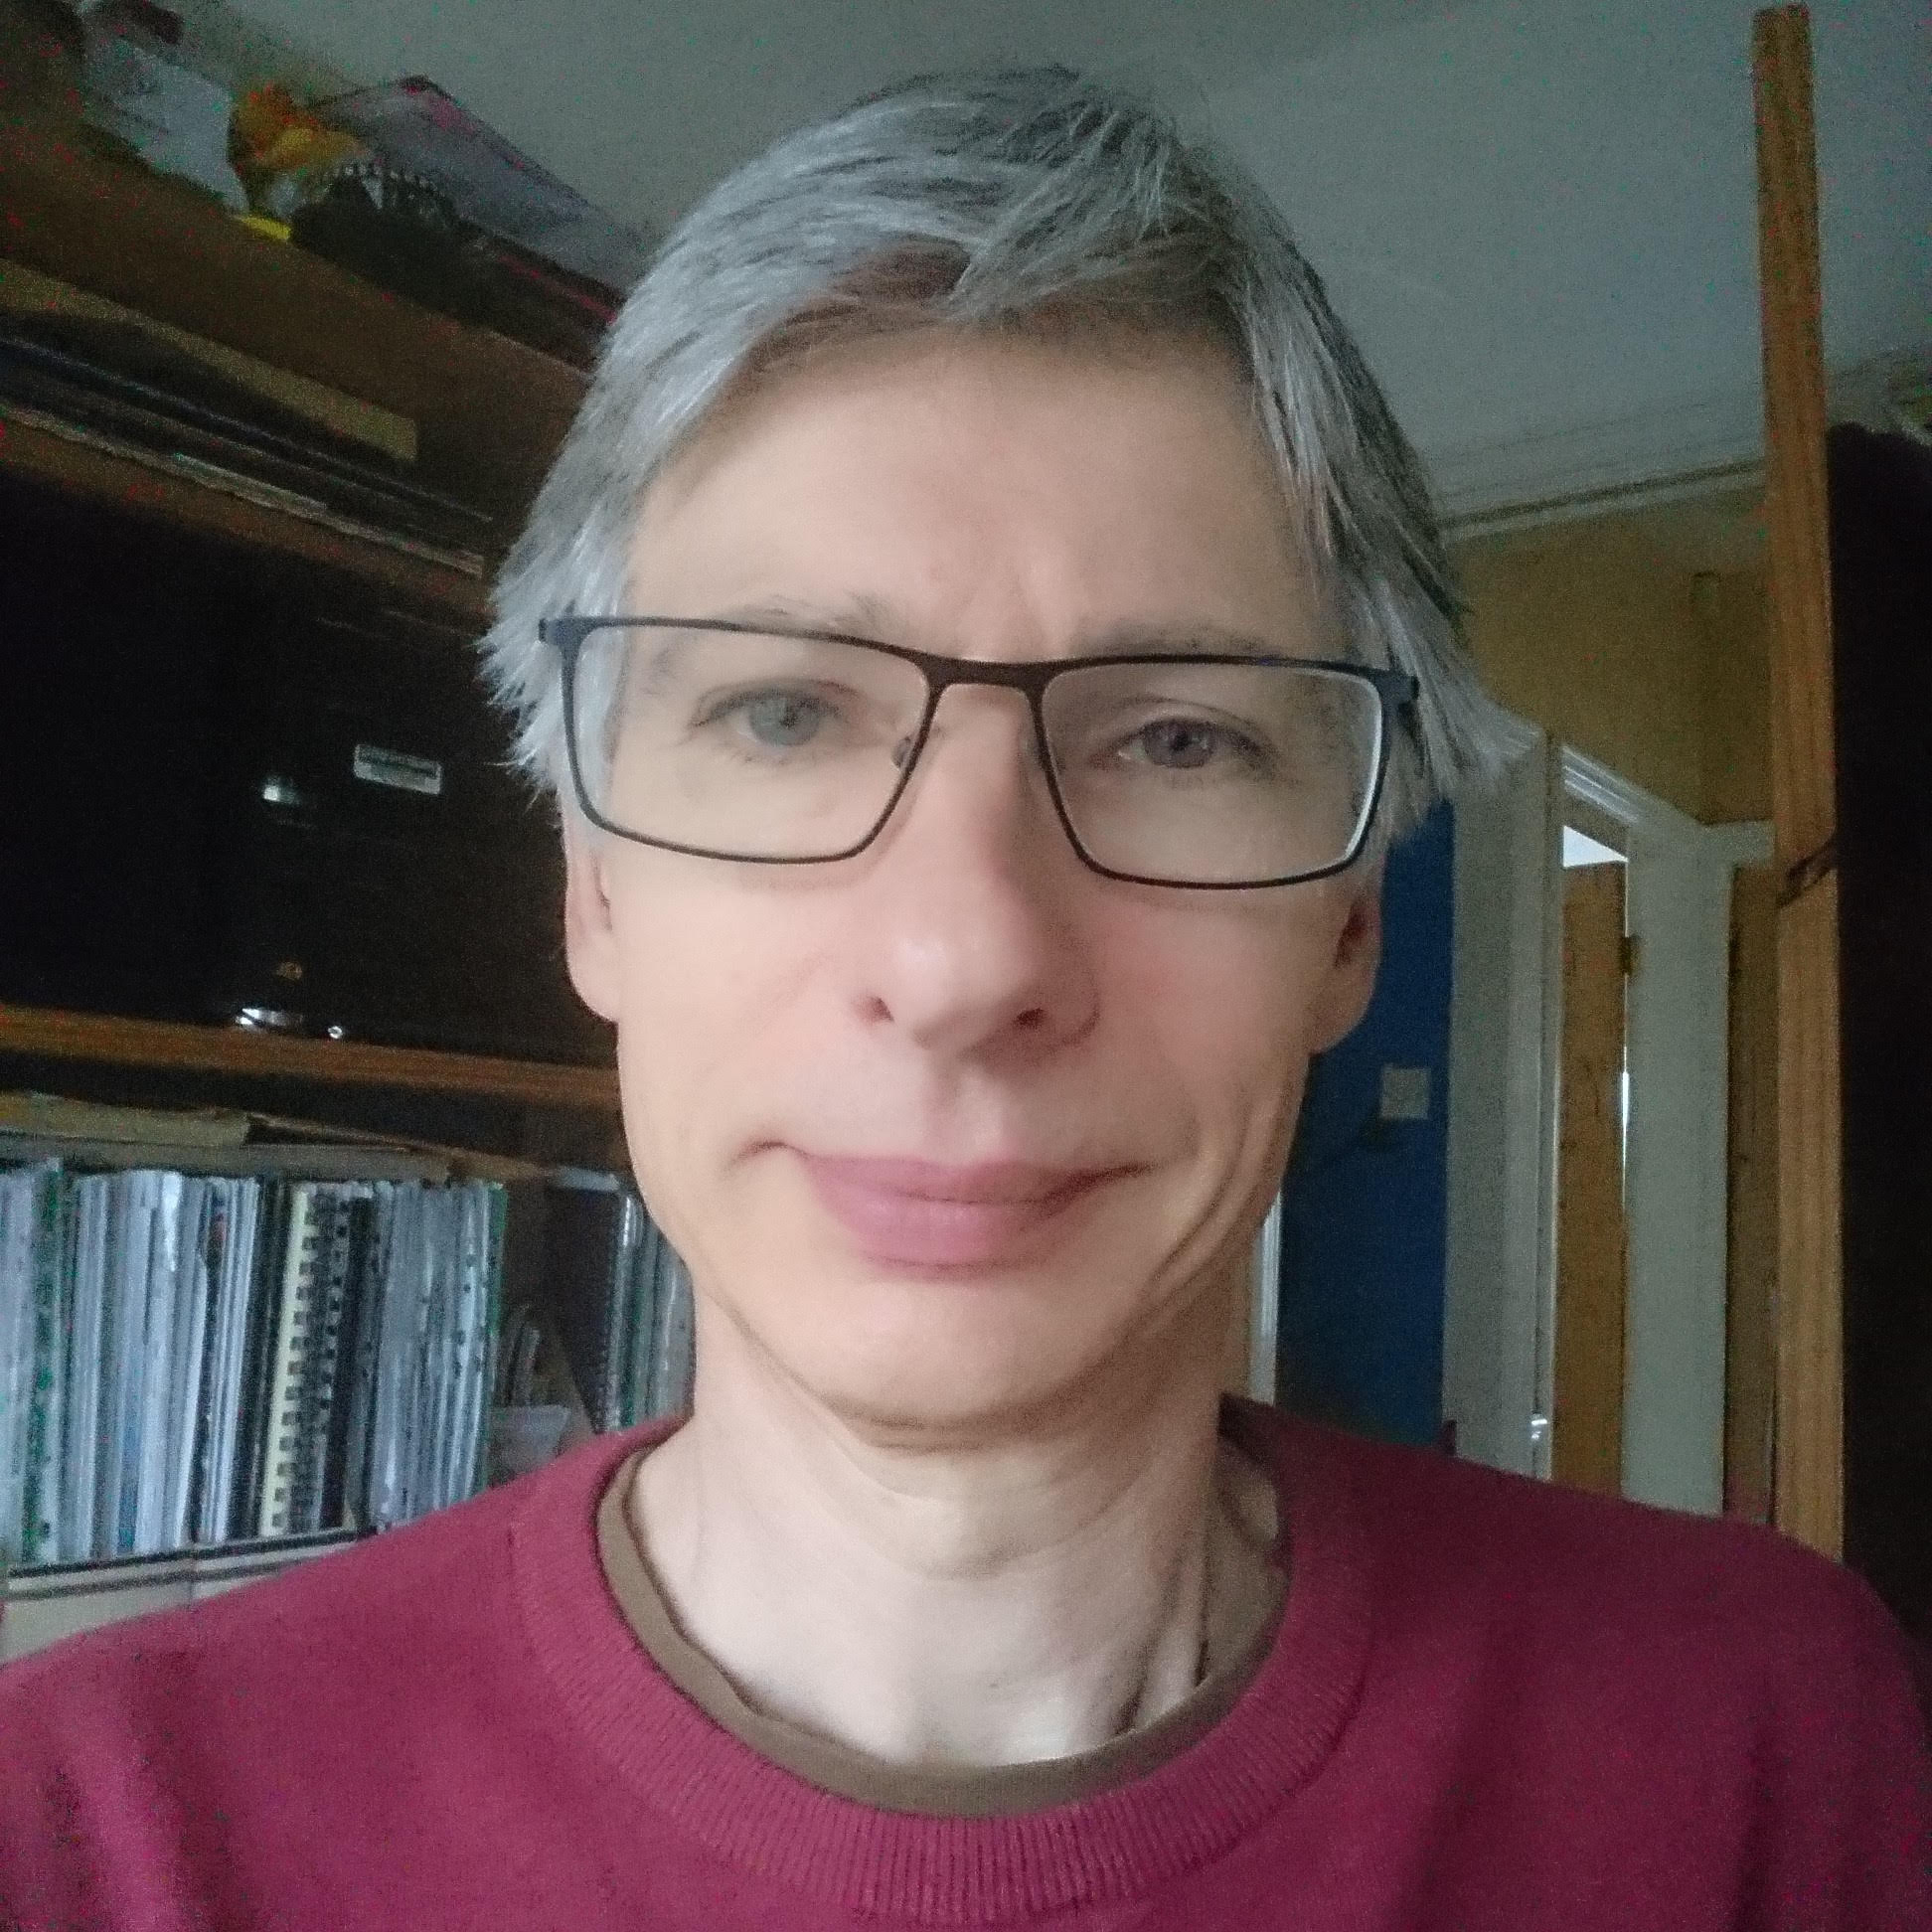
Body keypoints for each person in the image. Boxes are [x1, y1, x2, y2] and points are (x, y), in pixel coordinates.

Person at [2, 67, 1926, 1931]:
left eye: (1175, 739)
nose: (964, 962)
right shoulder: (85, 1835)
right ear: (593, 887)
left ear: (1349, 920)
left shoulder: (1764, 1748)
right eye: (782, 714)